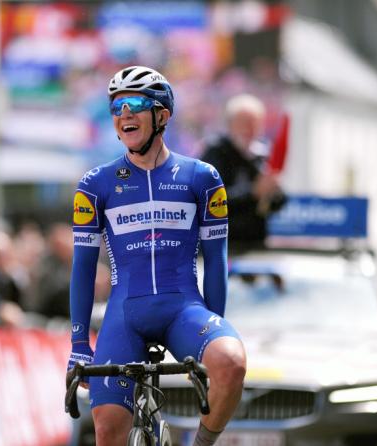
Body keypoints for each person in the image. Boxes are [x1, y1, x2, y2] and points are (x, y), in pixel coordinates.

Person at [68, 66, 246, 446]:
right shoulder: (94, 184)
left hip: (183, 309)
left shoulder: (202, 177)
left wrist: (212, 335)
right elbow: (83, 270)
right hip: (124, 315)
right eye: (116, 107)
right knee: (107, 430)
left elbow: (216, 261)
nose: (124, 114)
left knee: (232, 363)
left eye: (135, 104)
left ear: (162, 115)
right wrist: (79, 345)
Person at [201, 93, 287, 253]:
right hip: (224, 245)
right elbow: (211, 201)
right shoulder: (217, 152)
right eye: (243, 122)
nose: (249, 128)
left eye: (254, 123)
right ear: (230, 124)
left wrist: (273, 192)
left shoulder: (262, 155)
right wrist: (253, 192)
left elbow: (276, 203)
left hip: (255, 243)